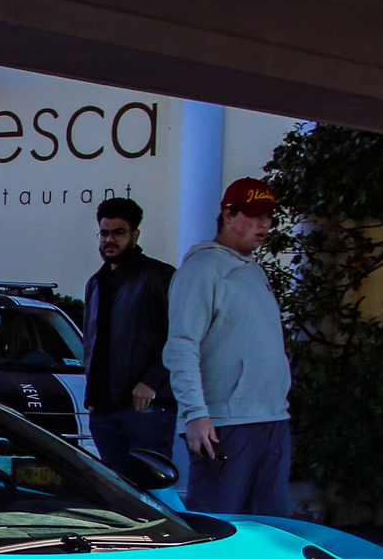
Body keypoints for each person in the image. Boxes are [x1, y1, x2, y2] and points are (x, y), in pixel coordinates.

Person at [165, 177, 293, 516]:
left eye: (268, 216)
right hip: (225, 424)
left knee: (269, 529)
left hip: (271, 418)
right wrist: (196, 414)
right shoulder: (202, 269)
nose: (263, 224)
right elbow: (181, 345)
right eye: (254, 215)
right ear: (228, 214)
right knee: (218, 523)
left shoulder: (254, 272)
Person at [81, 196, 176, 476]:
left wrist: (151, 380)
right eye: (105, 232)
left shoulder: (159, 276)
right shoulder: (96, 282)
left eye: (118, 232)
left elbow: (182, 336)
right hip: (103, 410)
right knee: (117, 497)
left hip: (145, 408)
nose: (110, 239)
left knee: (152, 495)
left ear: (135, 234)